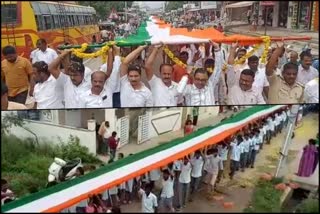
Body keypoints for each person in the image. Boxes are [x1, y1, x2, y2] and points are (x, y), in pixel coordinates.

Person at [176, 41, 222, 106]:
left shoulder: (209, 86)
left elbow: (218, 68)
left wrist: (217, 48)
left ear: (207, 80)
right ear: (193, 79)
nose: (200, 82)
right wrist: (187, 74)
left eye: (203, 80)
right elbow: (179, 91)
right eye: (198, 79)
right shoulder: (188, 89)